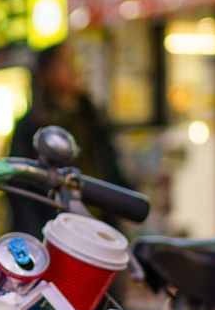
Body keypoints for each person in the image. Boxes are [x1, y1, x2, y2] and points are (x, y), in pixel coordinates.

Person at [8, 43, 127, 236]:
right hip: (53, 229)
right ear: (46, 74)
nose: (74, 68)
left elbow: (110, 169)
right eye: (64, 62)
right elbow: (19, 188)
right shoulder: (30, 126)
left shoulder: (92, 117)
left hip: (98, 226)